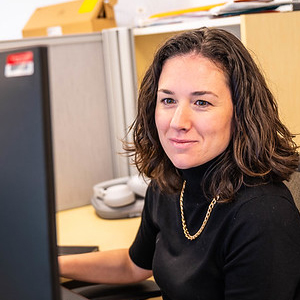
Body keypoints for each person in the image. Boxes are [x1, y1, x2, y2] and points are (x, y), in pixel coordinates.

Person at [59, 27, 300, 299]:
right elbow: (133, 265)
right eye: (168, 100)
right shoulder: (170, 183)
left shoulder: (262, 217)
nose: (177, 122)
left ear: (241, 112)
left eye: (201, 102)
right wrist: (50, 264)